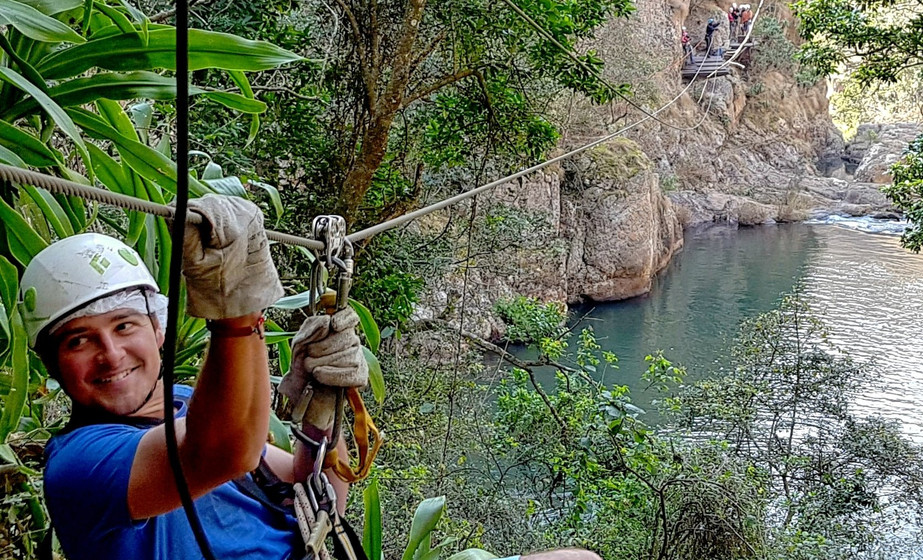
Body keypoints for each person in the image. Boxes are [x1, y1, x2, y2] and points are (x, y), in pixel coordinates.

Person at [21, 196, 601, 560]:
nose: (110, 353)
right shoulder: (80, 466)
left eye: (125, 326)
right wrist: (237, 318)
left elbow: (316, 492)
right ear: (53, 366)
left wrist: (320, 404)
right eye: (78, 341)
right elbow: (218, 451)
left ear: (158, 331)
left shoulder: (181, 402)